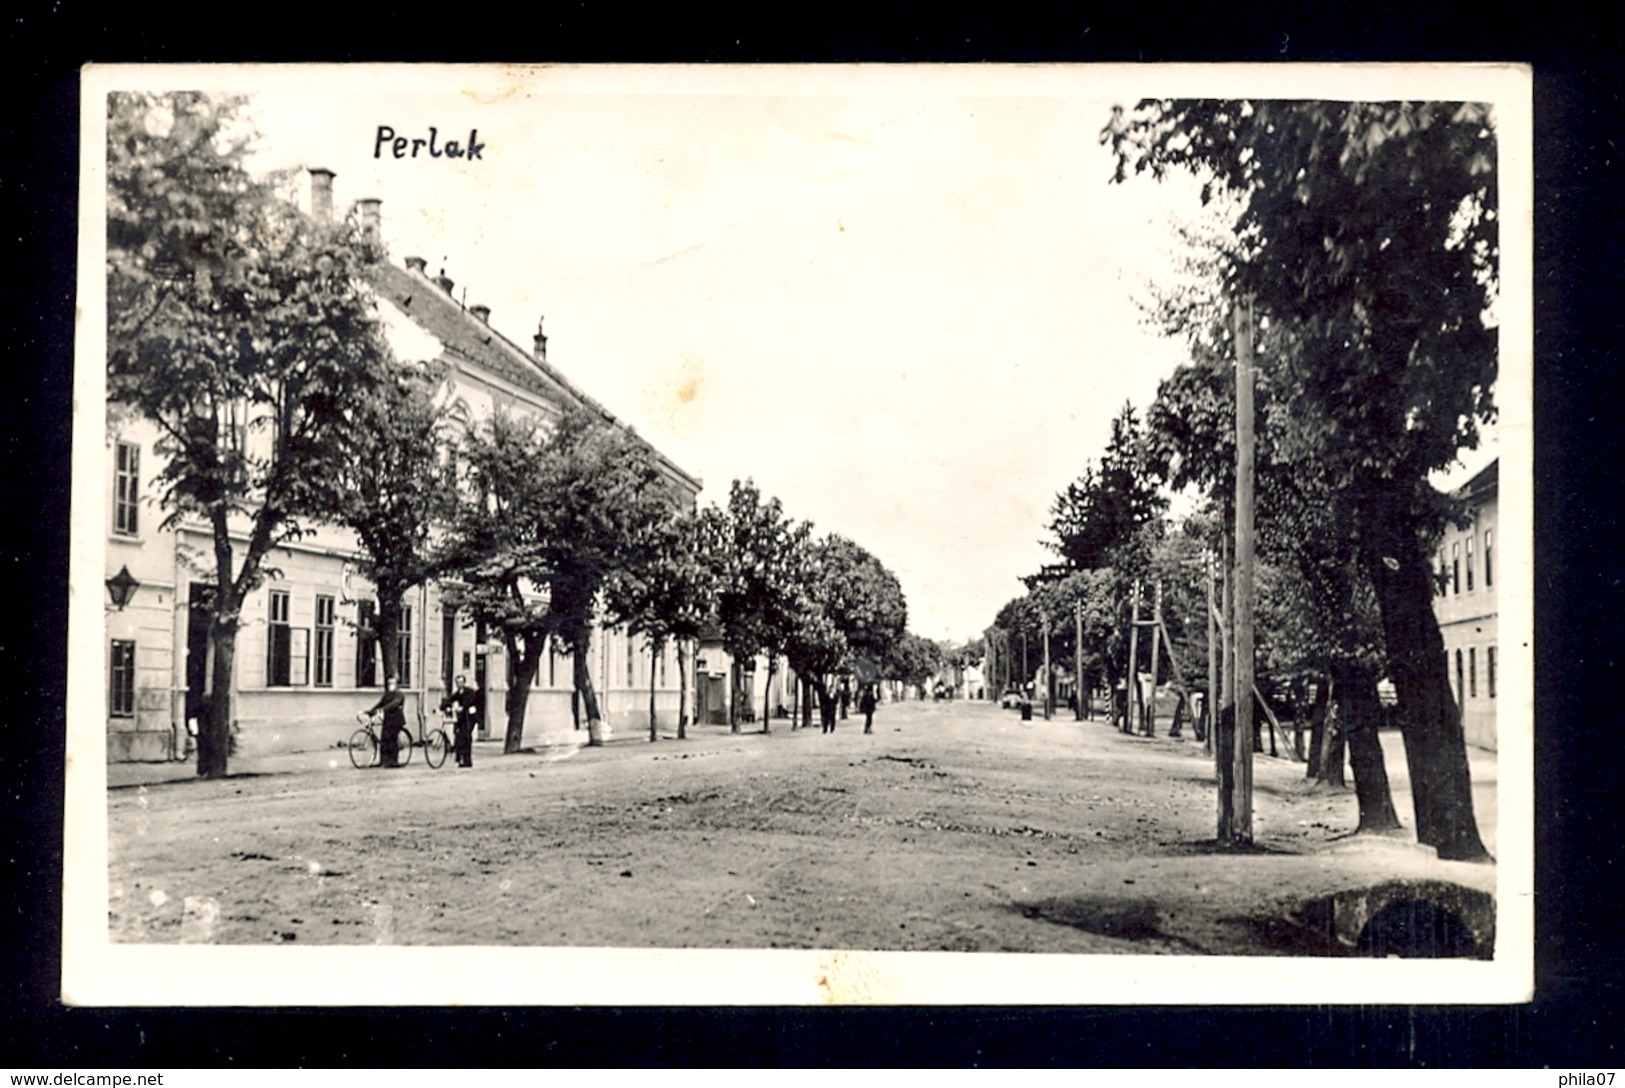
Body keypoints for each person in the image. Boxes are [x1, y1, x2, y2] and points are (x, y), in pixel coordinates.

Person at [365, 677, 408, 768]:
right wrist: (371, 711)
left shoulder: (399, 694)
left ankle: (393, 761)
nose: (390, 685)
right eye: (389, 683)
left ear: (396, 684)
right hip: (388, 720)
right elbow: (380, 703)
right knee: (384, 739)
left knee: (392, 739)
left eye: (392, 683)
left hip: (396, 720)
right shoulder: (387, 695)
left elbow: (395, 703)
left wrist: (383, 709)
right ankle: (383, 760)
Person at [440, 674, 480, 768]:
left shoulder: (469, 692)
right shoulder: (458, 693)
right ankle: (460, 758)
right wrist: (443, 706)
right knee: (458, 736)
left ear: (464, 683)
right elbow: (451, 699)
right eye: (457, 682)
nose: (459, 684)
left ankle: (467, 760)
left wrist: (462, 708)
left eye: (461, 682)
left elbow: (468, 702)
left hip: (470, 718)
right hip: (462, 718)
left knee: (465, 736)